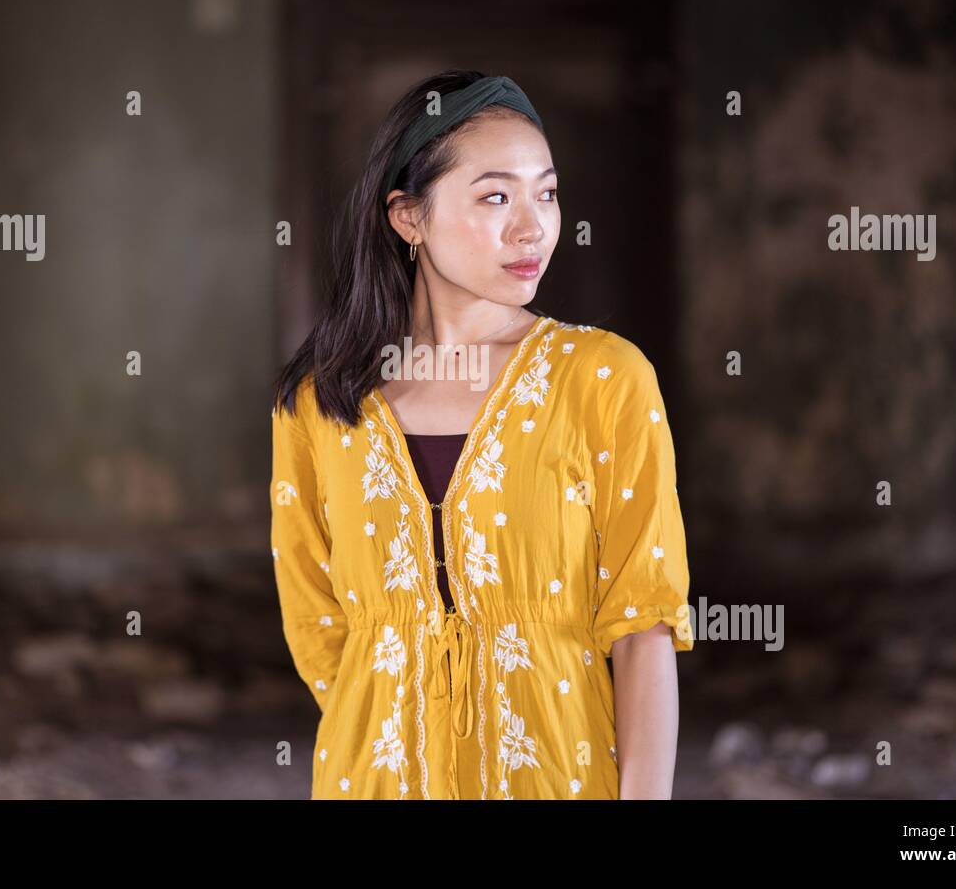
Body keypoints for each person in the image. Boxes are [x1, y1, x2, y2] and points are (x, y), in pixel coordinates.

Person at [270, 70, 693, 799]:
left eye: (547, 193)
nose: (532, 226)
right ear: (408, 217)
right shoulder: (321, 403)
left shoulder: (604, 379)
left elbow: (642, 626)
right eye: (496, 196)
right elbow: (321, 635)